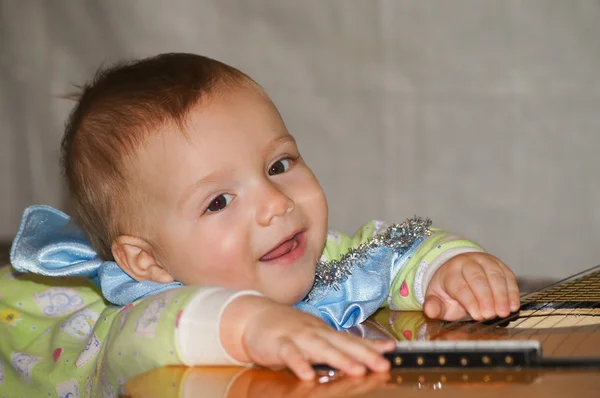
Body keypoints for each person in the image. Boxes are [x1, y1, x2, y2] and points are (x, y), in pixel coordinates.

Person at [0, 53, 520, 397]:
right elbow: (169, 327)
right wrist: (255, 325)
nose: (274, 203)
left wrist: (450, 266)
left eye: (278, 166)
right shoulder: (138, 321)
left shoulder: (315, 257)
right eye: (219, 201)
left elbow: (389, 249)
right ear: (149, 261)